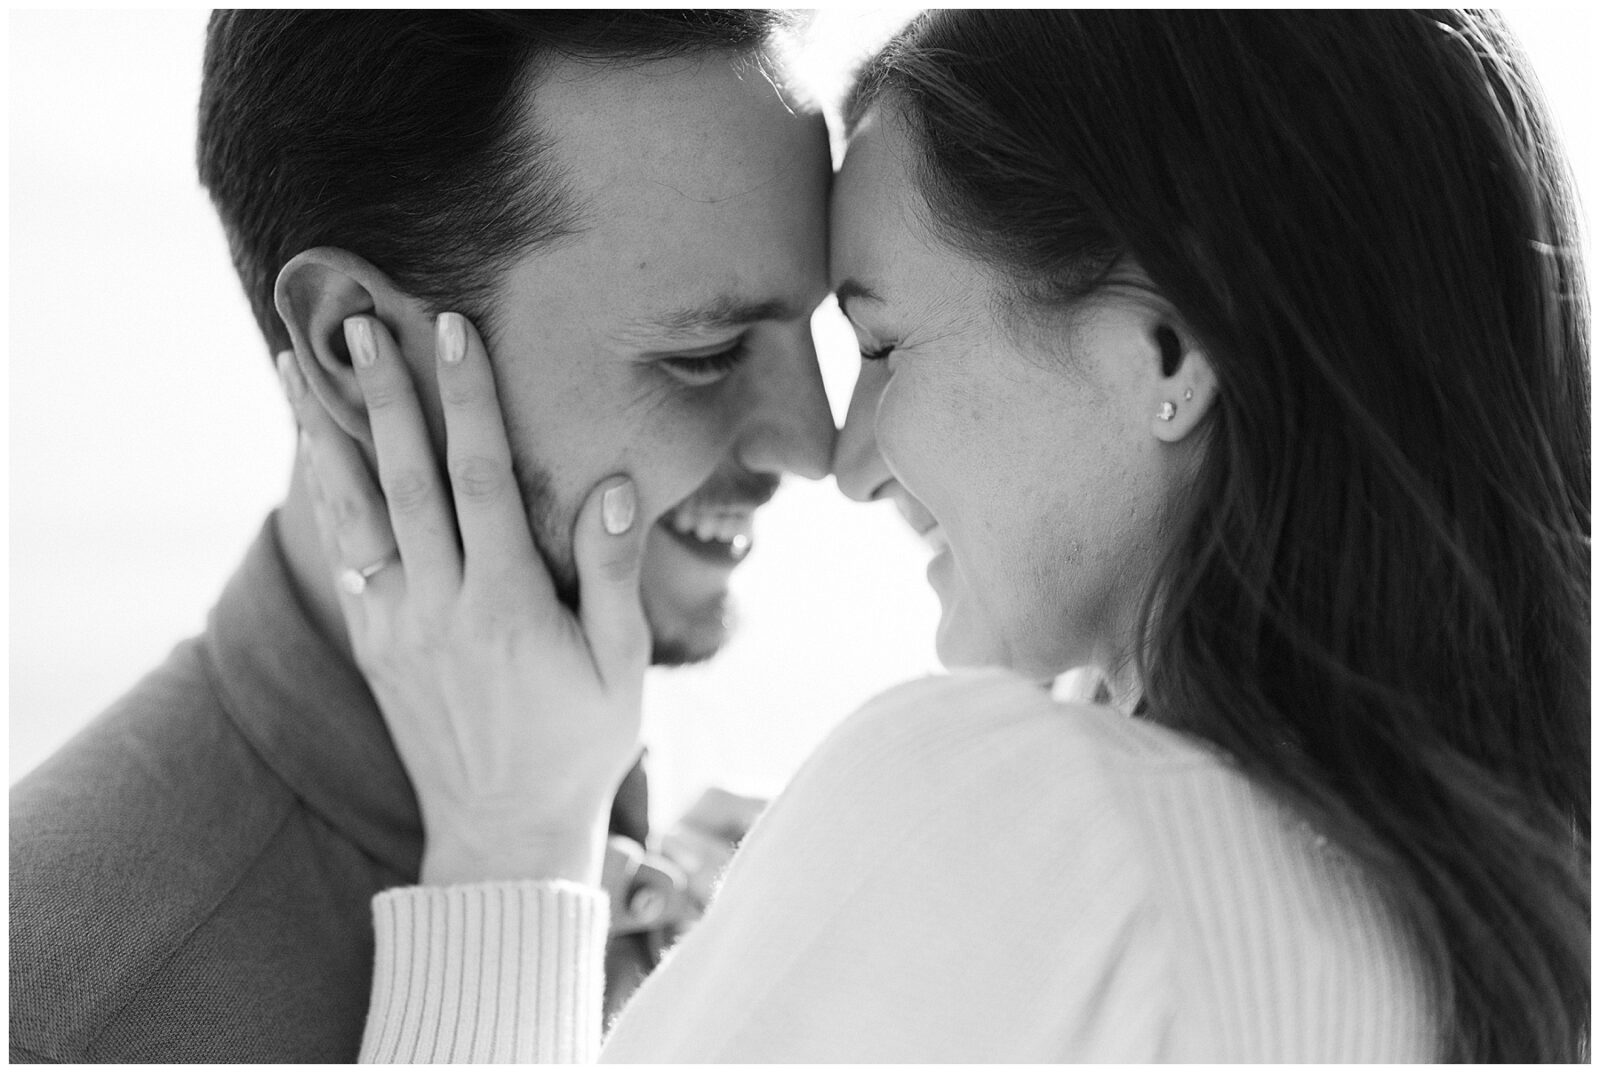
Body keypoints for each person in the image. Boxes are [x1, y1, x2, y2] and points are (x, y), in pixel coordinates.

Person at [288, 9, 1588, 1063]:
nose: (843, 463)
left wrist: (509, 856)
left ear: (1168, 346)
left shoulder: (1023, 815)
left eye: (885, 342)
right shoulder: (1492, 932)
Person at [8, 11, 835, 1063]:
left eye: (821, 326)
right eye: (706, 353)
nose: (817, 442)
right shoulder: (71, 1017)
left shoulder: (752, 819)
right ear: (354, 347)